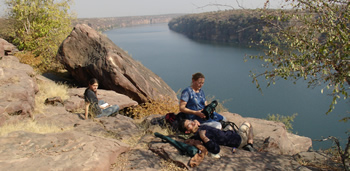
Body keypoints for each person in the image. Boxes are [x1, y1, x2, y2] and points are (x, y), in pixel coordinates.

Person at [179, 118, 256, 158]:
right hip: (238, 140)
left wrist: (197, 123)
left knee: (228, 127)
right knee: (247, 124)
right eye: (189, 125)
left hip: (229, 135)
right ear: (187, 132)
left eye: (190, 121)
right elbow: (216, 150)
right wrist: (204, 137)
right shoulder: (201, 135)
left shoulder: (199, 130)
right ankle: (250, 144)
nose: (192, 123)